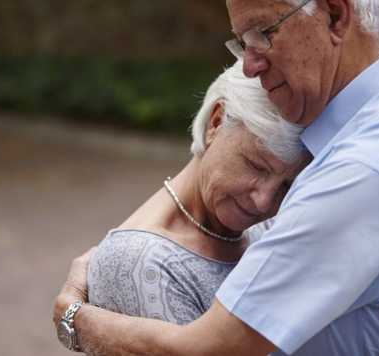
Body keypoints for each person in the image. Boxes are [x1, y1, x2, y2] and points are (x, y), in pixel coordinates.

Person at [54, 0, 379, 355]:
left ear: (335, 14)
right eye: (244, 42)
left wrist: (73, 318)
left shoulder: (357, 170)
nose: (249, 65)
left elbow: (212, 348)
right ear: (216, 122)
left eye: (263, 32)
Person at [87, 62, 307, 325]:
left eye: (286, 186)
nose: (264, 201)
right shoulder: (141, 261)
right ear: (216, 122)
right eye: (256, 166)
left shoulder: (278, 225)